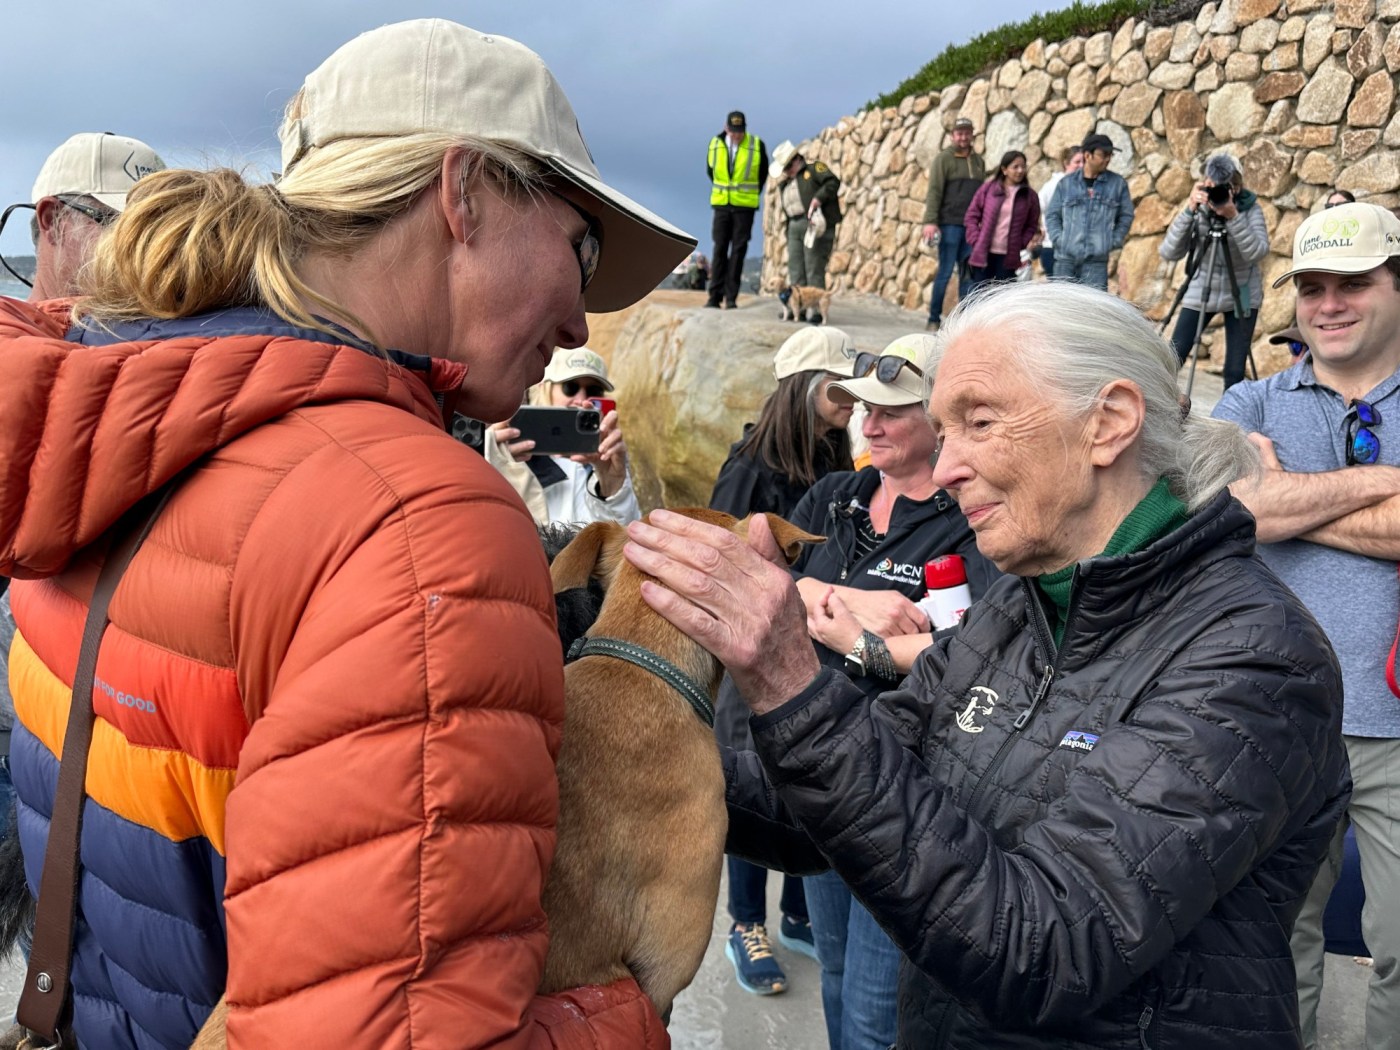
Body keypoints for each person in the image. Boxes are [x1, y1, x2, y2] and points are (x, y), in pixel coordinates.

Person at [0, 19, 693, 1049]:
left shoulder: (105, 419)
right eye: (579, 248)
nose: (579, 325)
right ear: (462, 193)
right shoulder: (415, 525)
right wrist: (627, 1015)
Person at [624, 280, 1351, 1048]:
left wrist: (788, 682)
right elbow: (845, 796)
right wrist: (582, 747)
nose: (945, 469)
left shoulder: (1256, 656)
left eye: (979, 422)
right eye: (943, 430)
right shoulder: (1019, 607)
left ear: (1108, 424)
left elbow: (1047, 949)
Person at [774, 333, 998, 1050]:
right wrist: (840, 594)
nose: (868, 424)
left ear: (940, 417)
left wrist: (854, 641)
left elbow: (975, 648)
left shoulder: (972, 516)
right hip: (818, 771)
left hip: (903, 790)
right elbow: (763, 586)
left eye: (892, 411)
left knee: (877, 1008)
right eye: (862, 406)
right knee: (835, 974)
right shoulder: (835, 496)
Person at [1213, 201, 1400, 1050]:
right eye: (1312, 286)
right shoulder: (1252, 398)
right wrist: (1383, 485)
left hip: (1396, 731)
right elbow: (1225, 502)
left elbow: (1258, 506)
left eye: (1353, 283)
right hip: (1277, 718)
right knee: (1272, 945)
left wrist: (1286, 504)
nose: (1328, 303)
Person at [0, 130, 164, 858]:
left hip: (92, 746)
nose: (140, 251)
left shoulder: (154, 363)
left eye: (157, 230)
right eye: (118, 225)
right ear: (49, 222)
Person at [708, 326, 858, 997]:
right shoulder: (750, 469)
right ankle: (746, 924)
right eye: (840, 388)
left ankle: (795, 912)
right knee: (751, 775)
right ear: (804, 387)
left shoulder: (840, 462)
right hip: (749, 656)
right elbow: (718, 565)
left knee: (801, 780)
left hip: (810, 654)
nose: (853, 402)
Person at [487, 347, 641, 526]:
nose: (581, 399)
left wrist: (612, 489)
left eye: (594, 391)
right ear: (545, 389)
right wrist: (484, 462)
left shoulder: (609, 462)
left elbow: (623, 542)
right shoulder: (504, 449)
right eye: (570, 387)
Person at [1159, 152, 1269, 390]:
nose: (1216, 194)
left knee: (1234, 369)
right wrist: (1189, 211)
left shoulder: (1250, 209)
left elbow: (1258, 252)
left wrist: (1233, 217)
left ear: (1235, 188)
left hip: (1242, 291)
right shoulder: (1199, 209)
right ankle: (1160, 407)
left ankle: (1233, 419)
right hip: (1202, 287)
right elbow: (1169, 252)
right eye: (1211, 187)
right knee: (1173, 356)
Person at [1044, 132, 1134, 291]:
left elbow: (1126, 216)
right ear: (1087, 155)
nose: (1107, 159)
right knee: (1061, 310)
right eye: (1103, 154)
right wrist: (1060, 240)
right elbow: (1052, 215)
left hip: (1096, 263)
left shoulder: (1117, 185)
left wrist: (1112, 241)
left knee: (1092, 312)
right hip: (1065, 261)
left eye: (1110, 155)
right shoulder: (1065, 184)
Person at [921, 117, 985, 332]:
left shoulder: (978, 162)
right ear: (952, 136)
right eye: (959, 133)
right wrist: (930, 222)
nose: (963, 137)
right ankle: (933, 318)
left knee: (968, 275)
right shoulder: (943, 159)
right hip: (949, 225)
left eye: (967, 132)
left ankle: (963, 320)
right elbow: (934, 191)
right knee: (945, 272)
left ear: (972, 135)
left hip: (971, 227)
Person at [706, 110, 768, 310]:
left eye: (740, 132)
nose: (737, 135)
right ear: (726, 129)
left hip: (744, 207)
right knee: (720, 249)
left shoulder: (756, 145)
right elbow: (711, 172)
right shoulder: (715, 144)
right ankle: (714, 296)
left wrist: (749, 194)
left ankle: (731, 297)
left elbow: (762, 174)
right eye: (733, 132)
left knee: (738, 251)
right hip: (722, 204)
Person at [771, 141, 842, 307]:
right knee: (796, 268)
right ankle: (799, 306)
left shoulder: (814, 170)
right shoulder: (786, 184)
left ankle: (816, 308)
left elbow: (832, 182)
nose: (787, 172)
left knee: (814, 266)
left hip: (813, 224)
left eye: (788, 167)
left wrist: (818, 198)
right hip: (794, 225)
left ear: (795, 160)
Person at [962, 150, 1041, 295]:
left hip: (1008, 256)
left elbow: (1032, 224)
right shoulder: (988, 189)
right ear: (1004, 169)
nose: (1020, 171)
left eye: (1023, 167)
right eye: (1015, 167)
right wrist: (975, 239)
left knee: (1003, 298)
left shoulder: (1030, 196)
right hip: (984, 253)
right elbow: (971, 216)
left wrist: (1022, 242)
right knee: (979, 296)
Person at [1037, 145, 1083, 278]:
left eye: (1084, 162)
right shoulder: (1054, 185)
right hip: (1055, 251)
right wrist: (1038, 229)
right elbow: (1036, 207)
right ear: (1066, 163)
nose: (1081, 166)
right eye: (1077, 162)